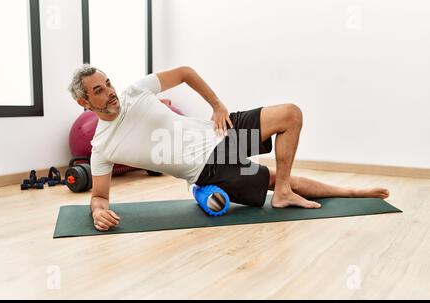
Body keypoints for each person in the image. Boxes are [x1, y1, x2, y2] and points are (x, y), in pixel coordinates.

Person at [68, 64, 390, 231]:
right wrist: (99, 212)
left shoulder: (134, 92)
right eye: (99, 90)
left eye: (108, 82)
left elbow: (184, 72)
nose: (110, 91)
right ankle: (352, 192)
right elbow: (99, 197)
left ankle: (284, 192)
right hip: (209, 169)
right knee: (271, 176)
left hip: (220, 132)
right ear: (84, 102)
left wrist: (218, 105)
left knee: (291, 114)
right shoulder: (102, 147)